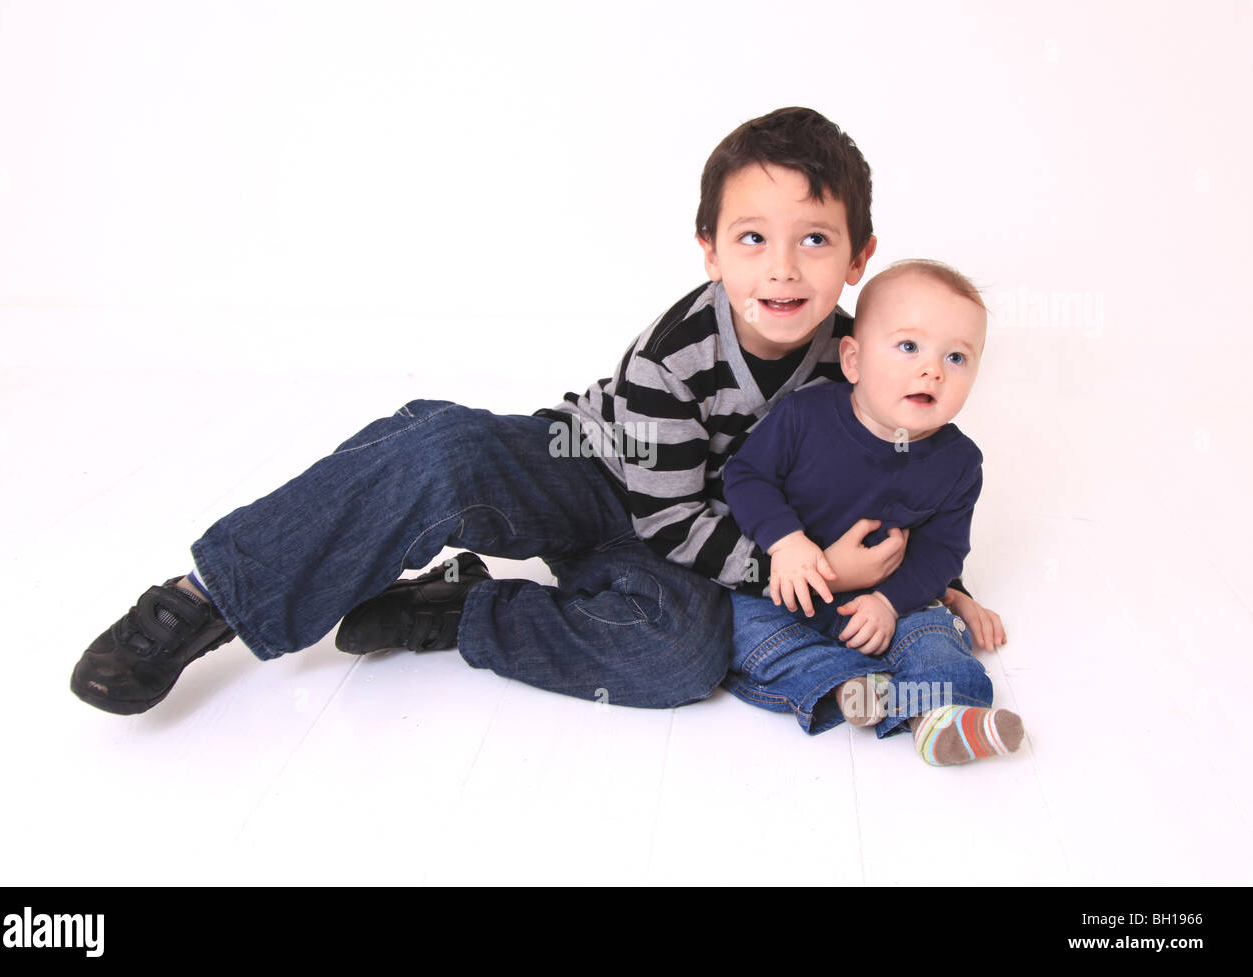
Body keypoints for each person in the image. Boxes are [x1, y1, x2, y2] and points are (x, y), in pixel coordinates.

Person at [71, 107, 1005, 719]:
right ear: (710, 250)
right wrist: (791, 561)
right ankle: (206, 596)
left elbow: (891, 482)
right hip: (595, 468)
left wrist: (924, 581)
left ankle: (459, 611)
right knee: (447, 456)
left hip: (687, 537)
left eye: (815, 241)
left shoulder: (861, 364)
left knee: (683, 656)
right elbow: (670, 508)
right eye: (753, 238)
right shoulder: (675, 351)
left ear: (858, 257)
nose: (783, 268)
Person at [722, 260, 1024, 766]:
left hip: (887, 600)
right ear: (854, 360)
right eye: (909, 347)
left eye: (956, 357)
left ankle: (943, 718)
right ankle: (850, 690)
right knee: (747, 631)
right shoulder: (804, 416)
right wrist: (788, 543)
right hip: (789, 589)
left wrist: (890, 600)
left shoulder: (959, 461)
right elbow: (745, 477)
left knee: (933, 636)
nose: (932, 370)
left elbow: (942, 551)